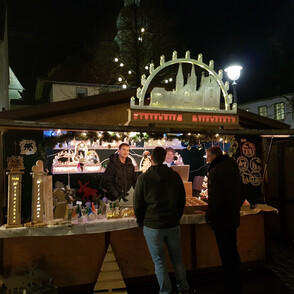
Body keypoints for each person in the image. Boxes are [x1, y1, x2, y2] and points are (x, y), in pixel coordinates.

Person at [134, 147, 194, 294]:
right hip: (172, 224)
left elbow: (138, 204)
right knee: (177, 259)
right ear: (164, 158)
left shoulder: (144, 178)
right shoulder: (175, 176)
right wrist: (176, 216)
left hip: (152, 225)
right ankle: (184, 288)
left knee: (160, 263)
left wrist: (141, 222)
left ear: (152, 159)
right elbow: (182, 200)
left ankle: (166, 291)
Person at [205, 146, 242, 294]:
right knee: (233, 248)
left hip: (221, 219)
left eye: (208, 157)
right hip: (233, 216)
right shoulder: (233, 167)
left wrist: (209, 217)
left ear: (214, 156)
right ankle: (237, 278)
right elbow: (242, 192)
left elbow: (215, 200)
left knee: (225, 252)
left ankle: (230, 283)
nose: (207, 160)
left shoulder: (215, 172)